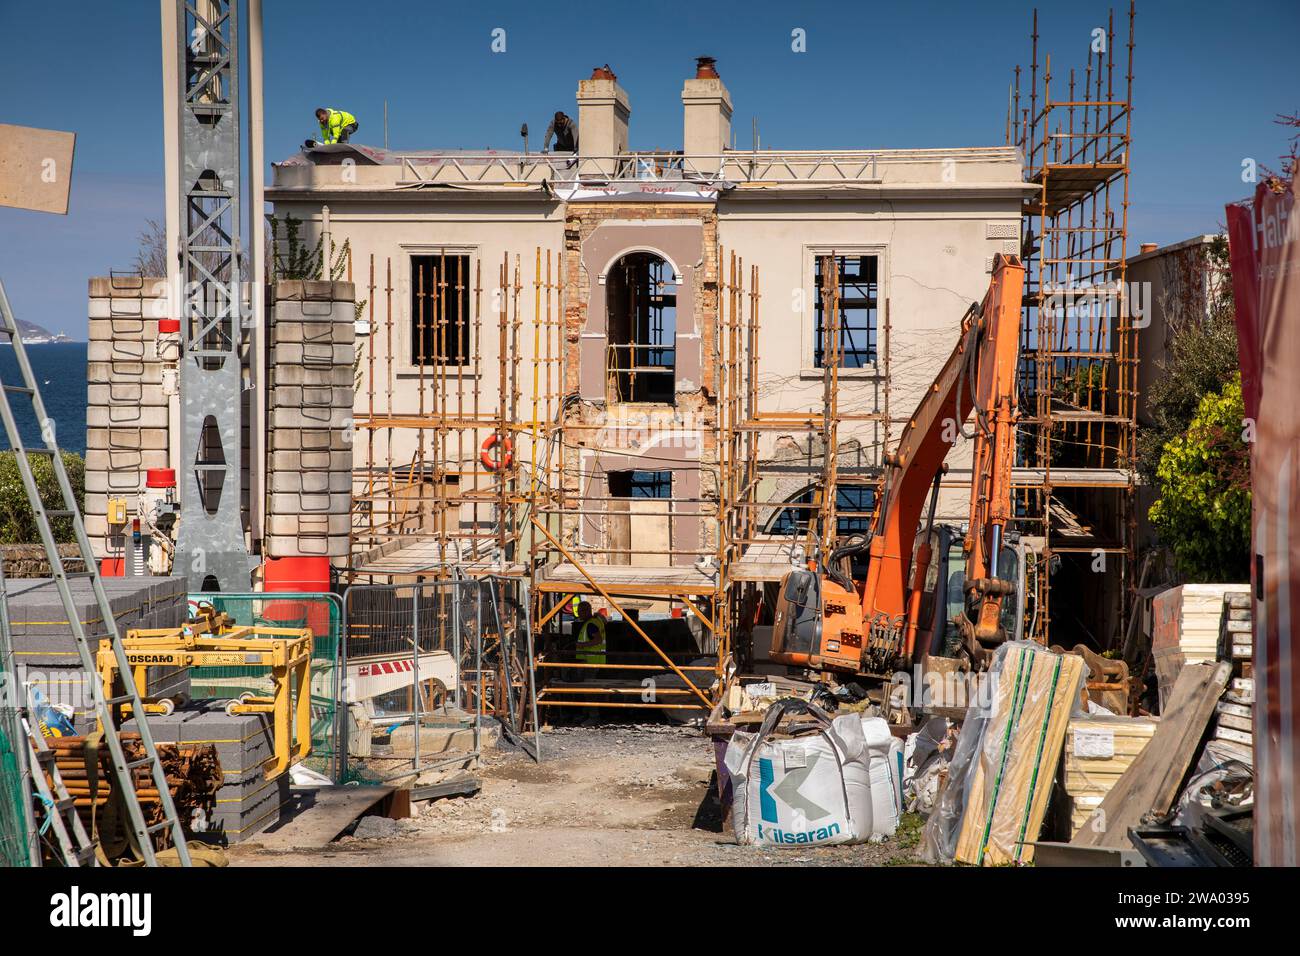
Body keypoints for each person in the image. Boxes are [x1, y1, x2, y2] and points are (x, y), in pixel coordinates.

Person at [574, 601, 607, 676]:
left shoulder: (590, 624)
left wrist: (581, 645)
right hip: (595, 661)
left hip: (590, 662)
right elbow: (605, 621)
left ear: (585, 612)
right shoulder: (596, 620)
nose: (578, 614)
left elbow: (598, 640)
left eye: (579, 611)